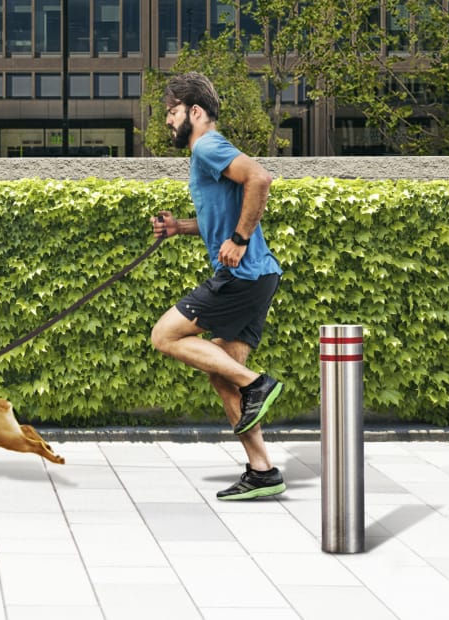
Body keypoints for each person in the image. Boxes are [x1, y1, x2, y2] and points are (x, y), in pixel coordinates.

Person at [147, 72, 287, 501]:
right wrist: (180, 227)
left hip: (242, 276)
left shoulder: (207, 144)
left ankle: (258, 383)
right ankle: (262, 470)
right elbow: (219, 218)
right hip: (259, 277)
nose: (168, 122)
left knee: (164, 334)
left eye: (171, 113)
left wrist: (241, 240)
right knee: (221, 372)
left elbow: (259, 179)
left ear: (194, 111)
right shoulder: (203, 157)